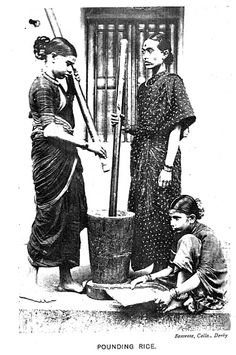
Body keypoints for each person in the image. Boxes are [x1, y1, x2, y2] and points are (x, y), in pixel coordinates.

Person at [25, 36, 106, 299]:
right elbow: (50, 129)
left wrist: (73, 84)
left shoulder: (62, 82)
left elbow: (69, 108)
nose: (72, 68)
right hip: (50, 157)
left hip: (68, 158)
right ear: (51, 59)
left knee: (72, 214)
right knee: (49, 217)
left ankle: (66, 278)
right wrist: (87, 145)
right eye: (68, 63)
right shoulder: (41, 87)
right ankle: (29, 283)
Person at [112, 32, 196, 272]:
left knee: (162, 211)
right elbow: (146, 126)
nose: (145, 55)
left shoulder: (173, 82)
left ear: (165, 54)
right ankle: (148, 267)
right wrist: (125, 123)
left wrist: (167, 167)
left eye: (151, 50)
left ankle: (164, 269)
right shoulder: (143, 87)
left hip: (161, 156)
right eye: (144, 50)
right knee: (143, 209)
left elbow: (176, 128)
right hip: (142, 157)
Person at [130, 195, 228, 314]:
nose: (172, 223)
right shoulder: (179, 232)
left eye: (176, 218)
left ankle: (181, 297)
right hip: (192, 280)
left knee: (188, 240)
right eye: (171, 218)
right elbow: (172, 268)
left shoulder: (207, 236)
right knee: (158, 285)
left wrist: (171, 294)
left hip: (209, 285)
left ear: (191, 218)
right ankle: (183, 295)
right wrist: (147, 278)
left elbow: (202, 274)